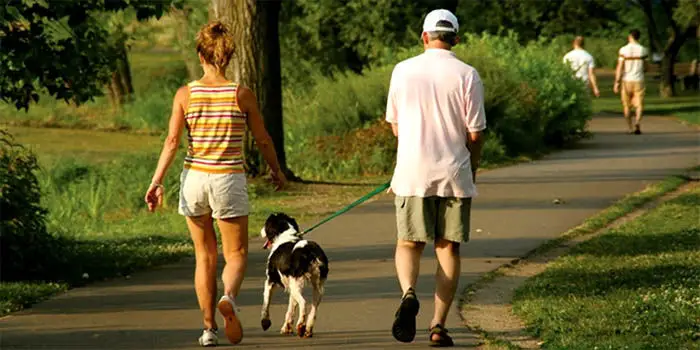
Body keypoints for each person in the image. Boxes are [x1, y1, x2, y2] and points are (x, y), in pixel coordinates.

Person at [144, 21, 286, 347]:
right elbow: (263, 140)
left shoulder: (185, 94)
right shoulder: (242, 94)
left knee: (204, 256)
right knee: (235, 254)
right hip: (228, 179)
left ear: (200, 54)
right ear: (229, 56)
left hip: (194, 178)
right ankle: (230, 299)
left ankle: (208, 329)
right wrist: (276, 171)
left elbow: (170, 141)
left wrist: (156, 182)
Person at [384, 9, 486, 347]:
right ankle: (438, 325)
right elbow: (475, 133)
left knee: (408, 243)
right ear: (456, 38)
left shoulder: (402, 71)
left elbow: (396, 127)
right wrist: (474, 167)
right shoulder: (468, 74)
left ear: (424, 37)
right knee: (447, 247)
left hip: (412, 172)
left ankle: (409, 292)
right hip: (454, 173)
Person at [614, 29, 649, 135]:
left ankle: (630, 127)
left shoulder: (623, 50)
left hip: (626, 80)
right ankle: (637, 122)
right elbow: (646, 67)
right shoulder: (643, 50)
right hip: (639, 79)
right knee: (639, 104)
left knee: (626, 105)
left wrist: (617, 82)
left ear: (630, 36)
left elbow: (620, 67)